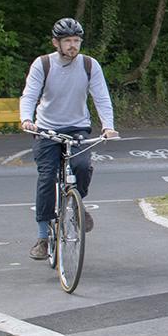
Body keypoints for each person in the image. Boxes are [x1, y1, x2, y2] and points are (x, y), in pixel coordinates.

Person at [19, 18, 120, 260]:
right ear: (56, 43)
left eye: (76, 41)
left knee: (83, 166)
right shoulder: (43, 64)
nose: (73, 45)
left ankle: (77, 201)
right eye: (67, 41)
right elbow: (29, 95)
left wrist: (108, 127)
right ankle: (43, 237)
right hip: (46, 129)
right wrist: (26, 119)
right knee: (46, 178)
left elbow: (101, 98)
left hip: (77, 127)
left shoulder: (89, 64)